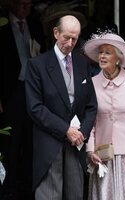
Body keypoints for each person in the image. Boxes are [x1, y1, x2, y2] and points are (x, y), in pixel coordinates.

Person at [25, 15, 97, 200]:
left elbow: (91, 106)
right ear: (56, 33)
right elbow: (35, 108)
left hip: (76, 143)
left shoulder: (83, 65)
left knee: (75, 194)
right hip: (49, 141)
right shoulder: (37, 65)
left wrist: (81, 132)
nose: (71, 42)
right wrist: (65, 129)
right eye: (67, 37)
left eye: (75, 38)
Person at [84, 32, 125, 200]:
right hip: (102, 157)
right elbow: (89, 122)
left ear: (118, 58)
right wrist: (90, 151)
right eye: (101, 52)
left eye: (107, 52)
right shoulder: (92, 83)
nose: (102, 56)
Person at [0, 0, 45, 199]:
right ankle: (9, 187)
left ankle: (29, 187)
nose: (25, 8)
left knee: (31, 139)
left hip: (33, 88)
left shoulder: (35, 25)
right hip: (12, 90)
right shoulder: (2, 25)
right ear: (13, 5)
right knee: (11, 139)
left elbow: (44, 55)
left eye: (29, 4)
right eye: (22, 4)